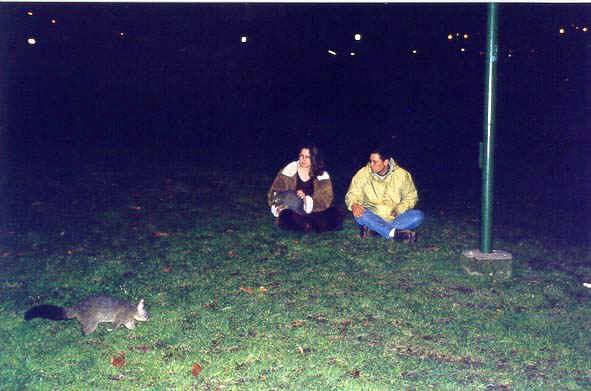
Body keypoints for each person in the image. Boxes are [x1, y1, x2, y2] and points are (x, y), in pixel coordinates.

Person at [345, 146, 424, 242]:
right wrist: (354, 204)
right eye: (370, 161)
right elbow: (353, 194)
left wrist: (399, 209)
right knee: (361, 214)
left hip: (394, 217)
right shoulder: (363, 174)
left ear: (386, 162)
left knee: (418, 216)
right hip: (371, 215)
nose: (371, 164)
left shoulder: (402, 175)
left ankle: (375, 231)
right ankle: (393, 233)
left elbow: (411, 196)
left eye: (375, 162)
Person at [267, 145, 343, 233]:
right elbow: (275, 192)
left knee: (334, 212)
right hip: (293, 208)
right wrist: (279, 206)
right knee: (289, 207)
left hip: (313, 209)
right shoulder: (288, 171)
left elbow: (326, 199)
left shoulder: (322, 176)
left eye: (307, 157)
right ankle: (306, 224)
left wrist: (306, 199)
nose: (303, 159)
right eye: (301, 156)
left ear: (314, 159)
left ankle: (306, 224)